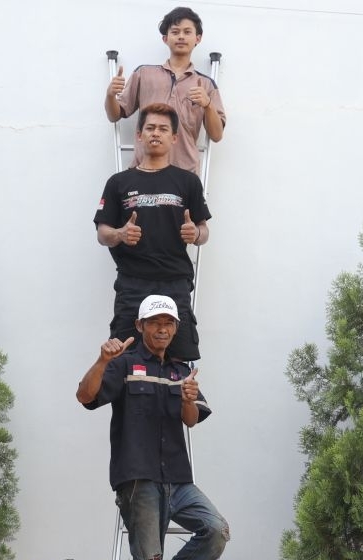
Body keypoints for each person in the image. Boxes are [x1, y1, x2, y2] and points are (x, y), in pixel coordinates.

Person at [76, 294, 229, 560]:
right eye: (155, 322)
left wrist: (189, 399)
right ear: (140, 326)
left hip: (178, 479)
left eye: (168, 323)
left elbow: (190, 420)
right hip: (138, 479)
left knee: (216, 531)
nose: (163, 329)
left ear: (175, 328)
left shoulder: (181, 371)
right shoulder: (124, 364)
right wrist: (102, 361)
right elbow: (85, 396)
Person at [94, 103, 210, 362]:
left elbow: (204, 231)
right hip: (132, 283)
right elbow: (102, 233)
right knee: (122, 358)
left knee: (178, 361)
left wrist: (195, 233)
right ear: (139, 134)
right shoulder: (118, 183)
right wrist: (120, 234)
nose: (156, 133)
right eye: (150, 128)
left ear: (174, 137)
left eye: (163, 129)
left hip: (174, 282)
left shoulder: (188, 182)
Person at [105, 6, 226, 174]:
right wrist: (110, 95)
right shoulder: (143, 74)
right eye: (175, 32)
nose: (181, 36)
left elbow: (217, 135)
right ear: (165, 38)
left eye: (187, 32)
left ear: (198, 38)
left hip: (184, 173)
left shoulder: (206, 84)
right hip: (143, 170)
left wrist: (208, 105)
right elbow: (114, 115)